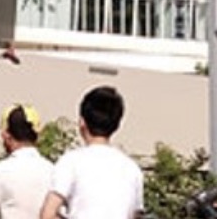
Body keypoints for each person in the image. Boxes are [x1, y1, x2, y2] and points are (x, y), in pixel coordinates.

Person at [41, 86, 143, 219]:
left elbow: (47, 214)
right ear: (117, 125)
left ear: (82, 122)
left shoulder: (71, 162)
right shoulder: (132, 169)